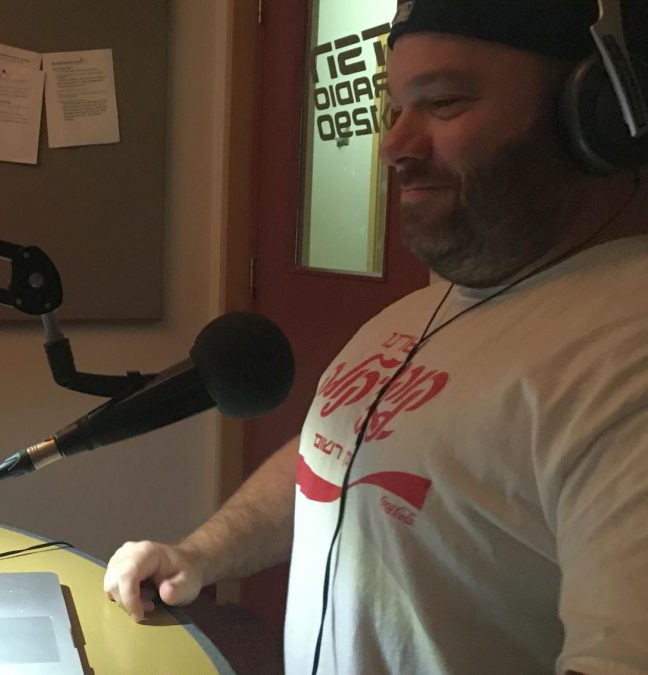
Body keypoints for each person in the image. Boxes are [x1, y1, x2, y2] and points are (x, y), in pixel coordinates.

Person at [103, 2, 648, 673]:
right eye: (394, 110)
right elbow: (339, 453)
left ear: (597, 116)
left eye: (443, 103)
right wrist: (199, 554)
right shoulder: (418, 314)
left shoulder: (627, 356)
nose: (394, 145)